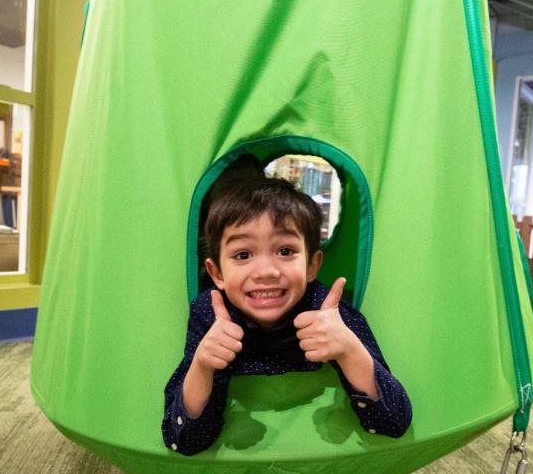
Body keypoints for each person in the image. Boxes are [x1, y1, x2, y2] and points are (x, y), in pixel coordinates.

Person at [163, 175, 411, 454]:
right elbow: (183, 440)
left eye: (285, 251)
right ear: (217, 273)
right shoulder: (209, 313)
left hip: (320, 469)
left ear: (312, 265)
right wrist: (202, 365)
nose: (267, 271)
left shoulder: (329, 312)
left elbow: (394, 422)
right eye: (243, 255)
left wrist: (350, 350)